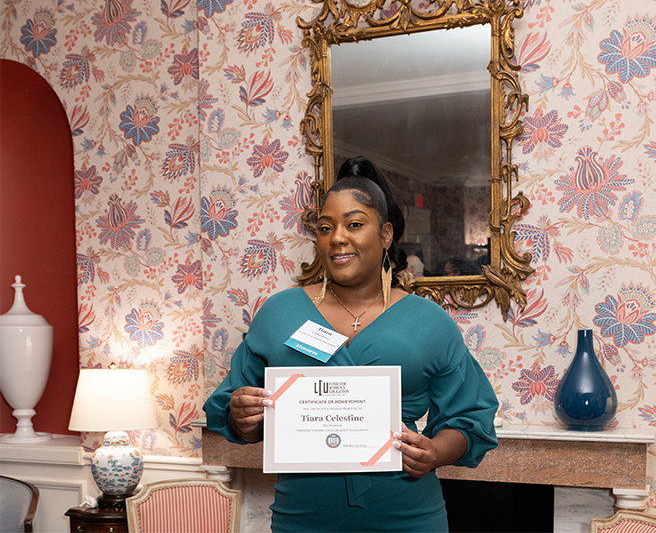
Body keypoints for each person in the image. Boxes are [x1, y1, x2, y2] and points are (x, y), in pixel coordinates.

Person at [203, 156, 498, 533]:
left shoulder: (429, 321)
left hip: (407, 519)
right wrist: (240, 416)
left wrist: (436, 452)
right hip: (303, 520)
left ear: (386, 234)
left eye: (354, 224)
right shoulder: (280, 313)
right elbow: (234, 409)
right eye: (325, 228)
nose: (337, 237)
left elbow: (470, 419)